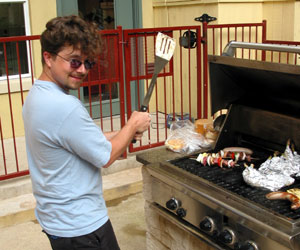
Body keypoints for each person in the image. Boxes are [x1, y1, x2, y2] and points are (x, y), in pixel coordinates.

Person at [22, 15, 151, 250]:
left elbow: (78, 141)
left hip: (57, 222)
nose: (82, 70)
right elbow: (105, 156)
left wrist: (122, 134)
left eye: (87, 63)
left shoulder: (36, 96)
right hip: (81, 227)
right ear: (48, 58)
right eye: (73, 62)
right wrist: (132, 124)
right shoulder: (65, 106)